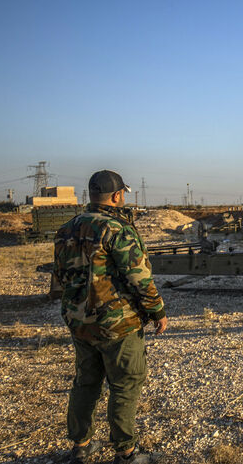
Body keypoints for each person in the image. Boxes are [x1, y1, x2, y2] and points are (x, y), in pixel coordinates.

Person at [53, 170, 167, 464]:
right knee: (126, 383)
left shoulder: (66, 229)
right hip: (117, 323)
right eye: (123, 194)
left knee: (85, 381)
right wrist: (157, 311)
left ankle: (80, 446)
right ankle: (126, 452)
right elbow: (139, 278)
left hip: (79, 322)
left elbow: (61, 278)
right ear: (117, 195)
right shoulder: (118, 229)